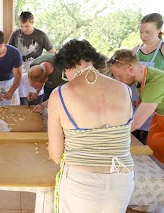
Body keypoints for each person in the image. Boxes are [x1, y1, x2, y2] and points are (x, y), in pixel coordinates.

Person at [48, 40, 134, 212]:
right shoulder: (125, 90)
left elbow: (56, 154)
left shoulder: (60, 95)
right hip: (122, 179)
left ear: (67, 67)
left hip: (82, 182)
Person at [108, 49, 164, 165]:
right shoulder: (141, 80)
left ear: (131, 69)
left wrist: (109, 137)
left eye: (119, 75)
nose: (117, 79)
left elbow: (136, 123)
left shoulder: (156, 81)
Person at [8, 11, 56, 105]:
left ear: (32, 23)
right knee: (22, 102)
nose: (24, 29)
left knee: (36, 100)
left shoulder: (41, 35)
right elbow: (8, 51)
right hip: (19, 69)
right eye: (21, 26)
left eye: (26, 26)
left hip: (36, 70)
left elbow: (53, 53)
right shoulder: (15, 34)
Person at [131, 13, 164, 143]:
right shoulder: (135, 51)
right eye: (141, 32)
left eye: (148, 32)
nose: (143, 36)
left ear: (159, 30)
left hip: (156, 107)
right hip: (135, 105)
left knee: (151, 145)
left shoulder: (162, 49)